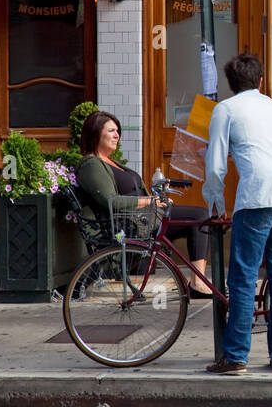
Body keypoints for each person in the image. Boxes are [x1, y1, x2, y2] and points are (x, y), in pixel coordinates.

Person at [202, 52, 272, 375]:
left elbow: (216, 165)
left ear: (231, 84)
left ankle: (235, 356)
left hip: (257, 196)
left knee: (243, 277)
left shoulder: (226, 109)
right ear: (260, 81)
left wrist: (215, 202)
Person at [75, 111, 211, 296]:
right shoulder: (91, 164)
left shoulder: (111, 162)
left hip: (146, 218)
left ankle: (197, 281)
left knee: (201, 218)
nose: (117, 135)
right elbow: (110, 201)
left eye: (118, 131)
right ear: (95, 133)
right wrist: (150, 201)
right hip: (131, 225)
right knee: (199, 216)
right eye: (111, 130)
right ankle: (197, 283)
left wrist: (159, 200)